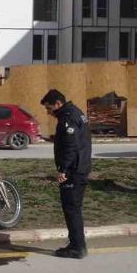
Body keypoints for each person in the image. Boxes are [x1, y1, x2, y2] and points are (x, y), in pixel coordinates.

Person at [41, 89, 92, 259]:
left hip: (73, 171)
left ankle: (77, 247)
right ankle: (76, 243)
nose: (48, 112)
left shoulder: (67, 117)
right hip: (80, 167)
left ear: (58, 104)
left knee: (71, 209)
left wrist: (63, 170)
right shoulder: (76, 112)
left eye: (49, 108)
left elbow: (71, 146)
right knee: (74, 208)